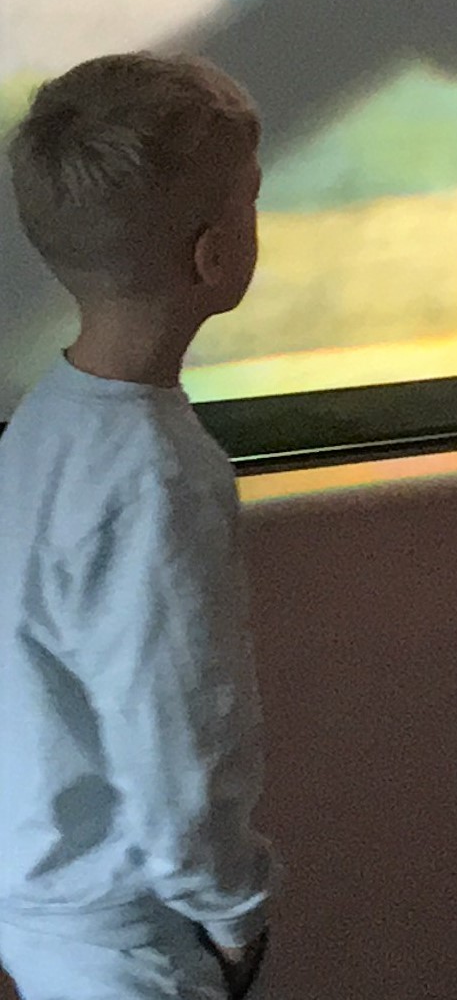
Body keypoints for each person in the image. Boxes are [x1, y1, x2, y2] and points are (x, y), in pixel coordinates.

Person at [0, 54, 275, 1000]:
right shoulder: (159, 476)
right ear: (213, 256)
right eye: (251, 201)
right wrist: (232, 911)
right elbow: (177, 737)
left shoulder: (45, 417)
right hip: (128, 933)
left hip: (42, 895)